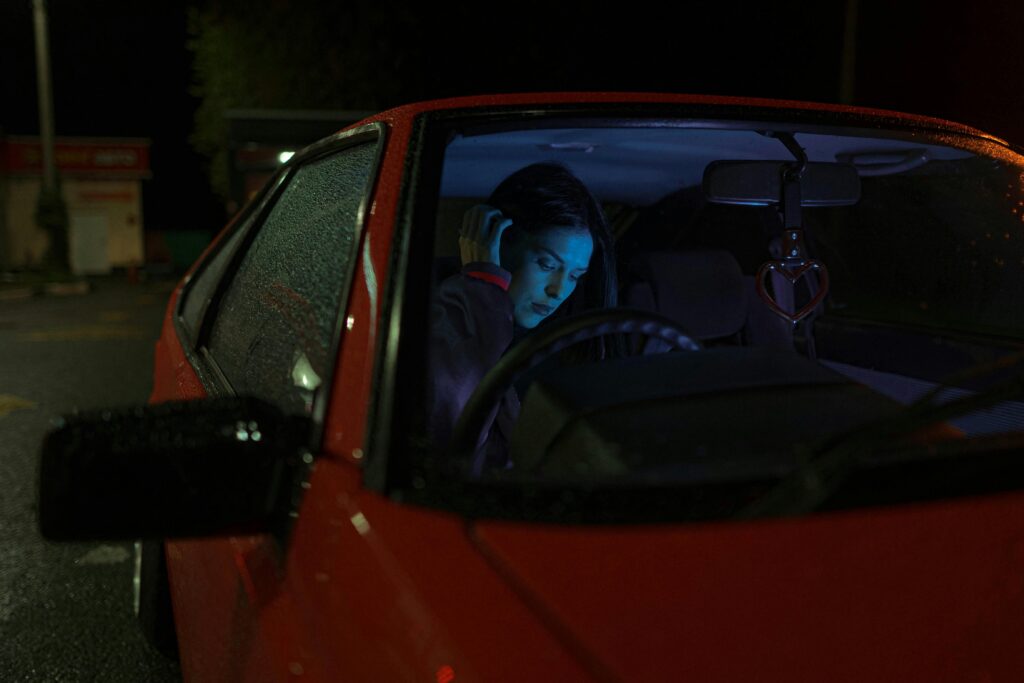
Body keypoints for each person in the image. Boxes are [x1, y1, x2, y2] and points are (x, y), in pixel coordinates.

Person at [425, 161, 617, 474]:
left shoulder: (566, 345)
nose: (558, 290)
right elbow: (454, 452)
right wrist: (483, 284)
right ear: (497, 243)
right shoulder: (441, 317)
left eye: (575, 276)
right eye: (546, 265)